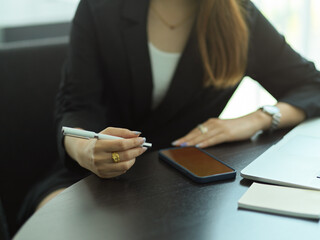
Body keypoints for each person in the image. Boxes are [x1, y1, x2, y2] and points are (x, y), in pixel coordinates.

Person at [18, 0, 320, 228]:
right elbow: (75, 105)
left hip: (180, 186)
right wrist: (85, 148)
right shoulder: (102, 7)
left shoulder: (238, 14)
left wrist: (256, 118)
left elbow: (312, 84)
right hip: (84, 177)